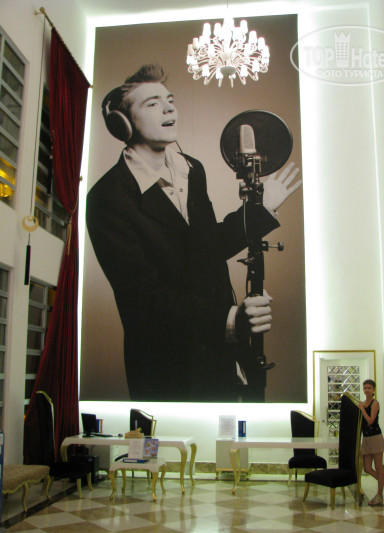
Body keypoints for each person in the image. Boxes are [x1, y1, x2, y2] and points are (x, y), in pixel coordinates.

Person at [86, 63, 301, 402]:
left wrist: (261, 210)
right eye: (152, 103)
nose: (168, 108)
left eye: (170, 100)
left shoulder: (192, 170)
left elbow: (206, 247)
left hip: (221, 354)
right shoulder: (106, 197)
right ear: (122, 124)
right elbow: (143, 299)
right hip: (167, 367)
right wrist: (231, 321)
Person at [358, 379, 384, 505]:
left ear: (373, 390)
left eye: (369, 388)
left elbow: (371, 421)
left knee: (379, 467)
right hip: (366, 438)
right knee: (367, 468)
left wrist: (362, 409)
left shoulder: (375, 403)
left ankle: (379, 495)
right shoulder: (363, 403)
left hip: (375, 437)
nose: (367, 390)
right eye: (365, 387)